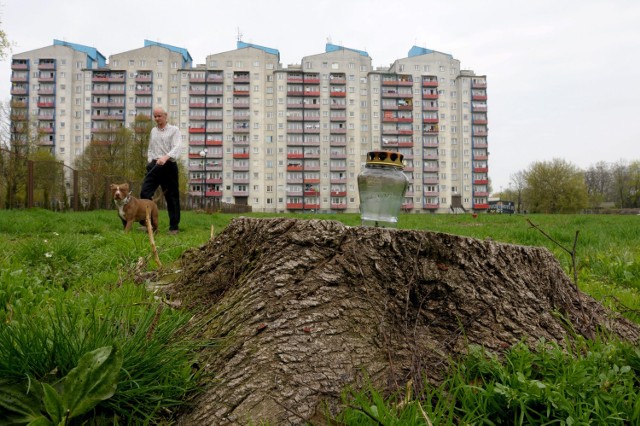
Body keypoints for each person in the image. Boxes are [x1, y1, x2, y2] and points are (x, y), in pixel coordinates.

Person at [140, 106, 182, 234]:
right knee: (145, 193)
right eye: (155, 116)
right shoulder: (153, 131)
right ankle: (147, 223)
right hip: (154, 165)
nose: (157, 118)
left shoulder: (174, 130)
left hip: (169, 166)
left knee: (171, 197)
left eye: (159, 116)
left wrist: (166, 157)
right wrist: (150, 161)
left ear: (165, 116)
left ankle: (174, 227)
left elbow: (177, 146)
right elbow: (151, 148)